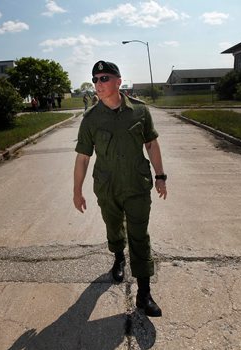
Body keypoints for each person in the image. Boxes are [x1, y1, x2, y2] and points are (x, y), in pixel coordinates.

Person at [73, 60, 168, 317]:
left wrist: (160, 176)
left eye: (104, 78)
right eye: (95, 79)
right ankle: (117, 256)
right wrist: (76, 190)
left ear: (118, 81)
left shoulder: (140, 111)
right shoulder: (91, 119)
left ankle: (144, 294)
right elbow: (83, 158)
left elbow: (151, 144)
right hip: (108, 187)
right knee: (114, 228)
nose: (98, 84)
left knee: (140, 236)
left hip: (137, 185)